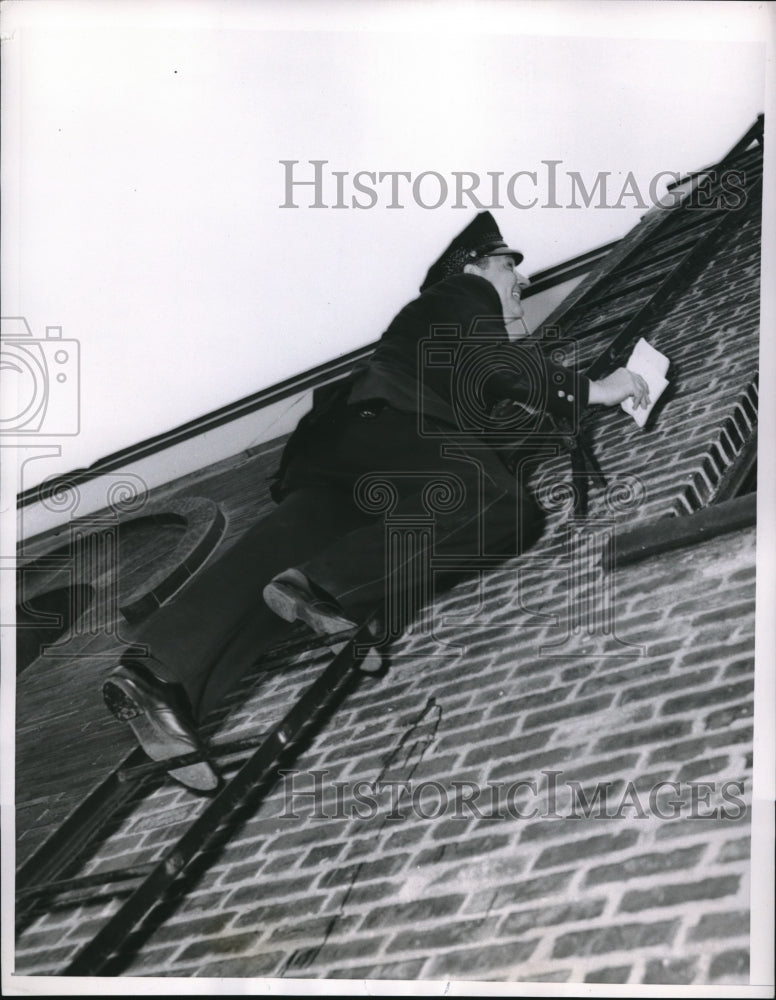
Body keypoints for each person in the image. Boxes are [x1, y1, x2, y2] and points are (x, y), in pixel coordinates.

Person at [102, 212, 649, 791]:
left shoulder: (433, 340)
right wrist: (593, 389)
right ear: (476, 268)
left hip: (346, 448)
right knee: (503, 507)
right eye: (511, 269)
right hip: (389, 420)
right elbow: (499, 370)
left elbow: (483, 404)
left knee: (277, 559)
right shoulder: (461, 294)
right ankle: (329, 588)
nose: (522, 284)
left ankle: (160, 675)